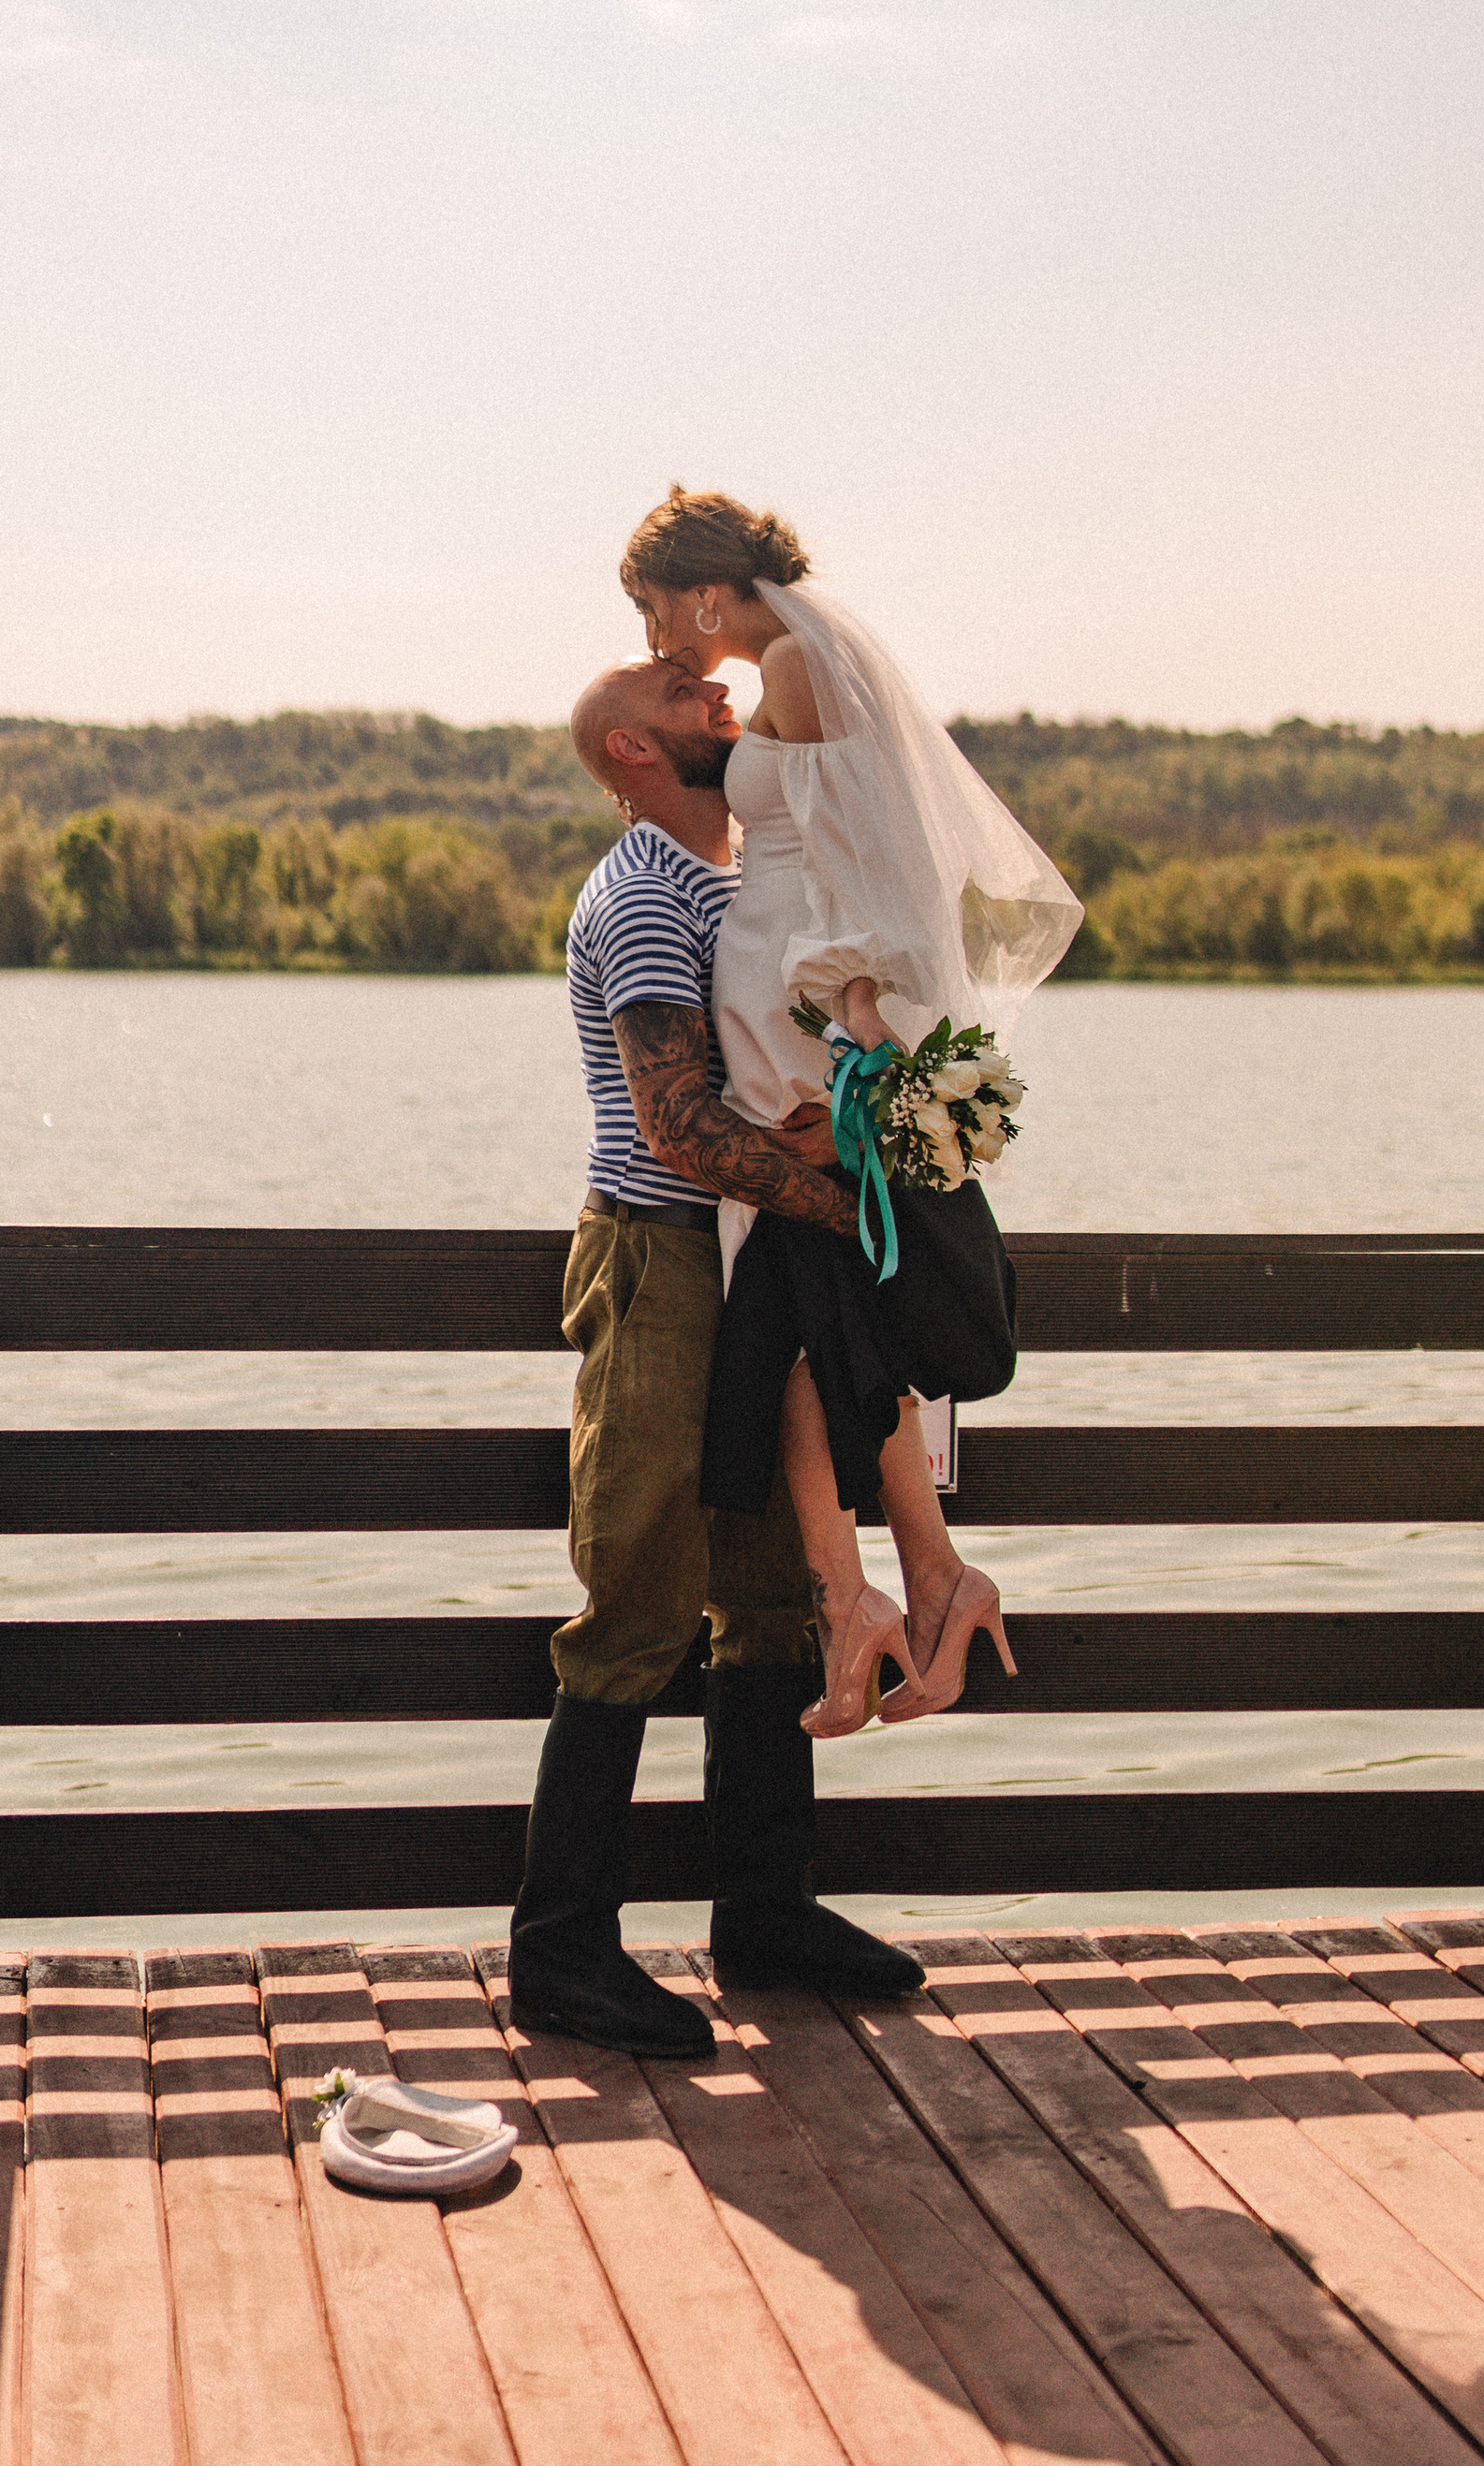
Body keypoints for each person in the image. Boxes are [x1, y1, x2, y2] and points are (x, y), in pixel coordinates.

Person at [501, 651, 924, 2061]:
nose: (718, 697)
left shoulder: (751, 876)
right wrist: (857, 1201)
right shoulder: (639, 895)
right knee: (637, 1588)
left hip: (750, 1265)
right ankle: (563, 1950)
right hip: (666, 1256)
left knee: (763, 1591)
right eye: (682, 696)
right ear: (629, 748)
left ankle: (766, 1912)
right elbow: (677, 1120)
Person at [619, 487, 1081, 1736]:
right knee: (809, 1316)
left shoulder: (791, 662)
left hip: (800, 1034)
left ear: (701, 590)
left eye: (654, 604)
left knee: (790, 1316)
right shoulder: (795, 658)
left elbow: (861, 861)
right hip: (794, 1017)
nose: (657, 634)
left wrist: (862, 1051)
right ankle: (910, 1582)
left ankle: (863, 1597)